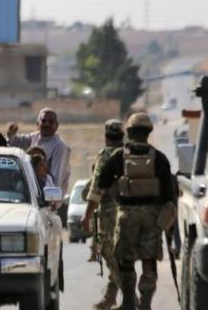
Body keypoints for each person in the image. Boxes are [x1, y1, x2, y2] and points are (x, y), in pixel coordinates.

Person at [82, 113, 177, 310]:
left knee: (125, 261)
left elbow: (99, 186)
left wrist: (88, 214)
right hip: (152, 218)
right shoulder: (160, 159)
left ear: (130, 132)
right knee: (149, 261)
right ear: (149, 132)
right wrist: (169, 227)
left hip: (126, 216)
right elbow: (170, 196)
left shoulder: (118, 157)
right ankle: (145, 304)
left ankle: (127, 303)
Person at [86, 119, 125, 310]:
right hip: (128, 211)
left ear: (106, 136)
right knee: (119, 256)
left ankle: (130, 297)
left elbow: (97, 187)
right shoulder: (128, 152)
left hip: (110, 212)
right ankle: (110, 298)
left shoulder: (105, 155)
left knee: (108, 252)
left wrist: (87, 215)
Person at [7, 108, 71, 194]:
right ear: (37, 124)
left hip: (49, 196)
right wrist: (11, 133)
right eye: (43, 121)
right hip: (32, 191)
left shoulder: (60, 146)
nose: (47, 124)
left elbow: (56, 180)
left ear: (56, 126)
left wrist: (51, 198)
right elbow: (15, 142)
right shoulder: (34, 137)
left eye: (51, 121)